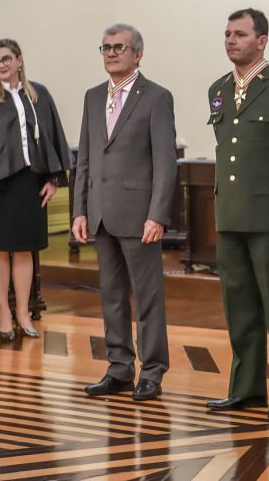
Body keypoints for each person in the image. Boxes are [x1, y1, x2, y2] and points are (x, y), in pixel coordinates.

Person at [204, 8, 269, 418]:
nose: (231, 40)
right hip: (230, 214)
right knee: (239, 306)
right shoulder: (218, 88)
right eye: (227, 33)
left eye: (240, 34)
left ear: (262, 40)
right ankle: (245, 388)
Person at [72, 24, 177, 401]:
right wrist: (79, 209)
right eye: (105, 48)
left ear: (138, 54)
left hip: (140, 215)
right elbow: (84, 158)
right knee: (111, 295)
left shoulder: (156, 97)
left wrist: (158, 215)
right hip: (99, 214)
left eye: (119, 47)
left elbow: (166, 163)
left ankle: (152, 371)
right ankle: (118, 368)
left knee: (147, 297)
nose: (111, 53)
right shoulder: (92, 96)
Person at [0, 38, 72, 341]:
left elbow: (53, 136)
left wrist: (53, 179)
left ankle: (23, 313)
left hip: (30, 183)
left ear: (19, 60)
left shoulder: (39, 95)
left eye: (6, 59)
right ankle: (3, 312)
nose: (1, 65)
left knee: (24, 250)